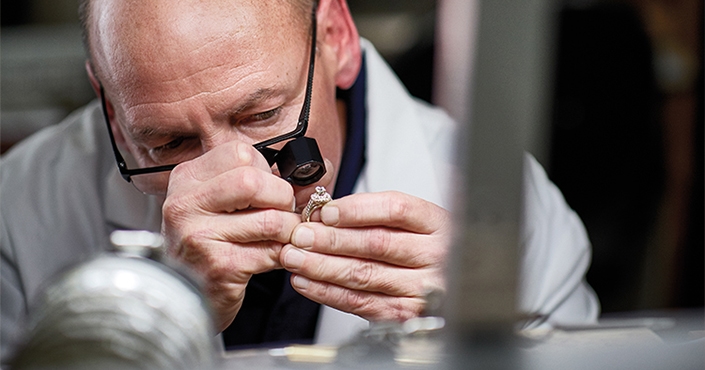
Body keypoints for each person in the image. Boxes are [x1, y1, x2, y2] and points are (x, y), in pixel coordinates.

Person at [0, 0, 599, 362]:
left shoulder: (511, 210)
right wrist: (165, 312)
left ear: (336, 37)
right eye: (168, 142)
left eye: (263, 116)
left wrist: (472, 338)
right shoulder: (19, 209)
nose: (237, 180)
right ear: (108, 104)